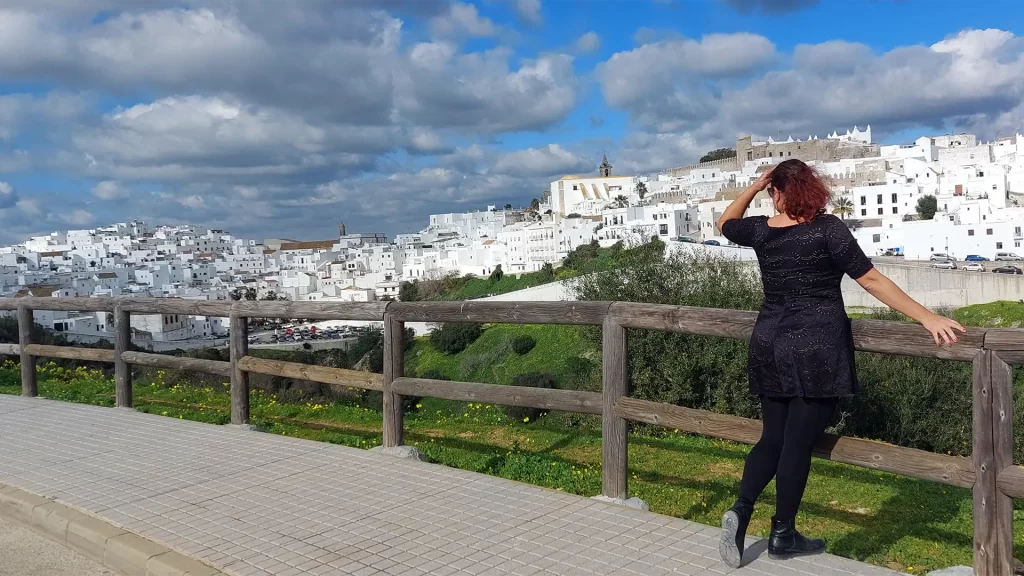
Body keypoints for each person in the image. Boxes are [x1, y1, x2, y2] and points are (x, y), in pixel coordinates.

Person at [715, 159, 965, 568]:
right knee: (797, 444)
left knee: (772, 437)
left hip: (769, 343)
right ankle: (783, 534)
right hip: (816, 346)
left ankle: (742, 508)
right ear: (811, 190)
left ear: (776, 192)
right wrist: (927, 316)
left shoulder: (760, 230)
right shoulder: (827, 229)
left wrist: (754, 188)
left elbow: (726, 222)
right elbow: (870, 279)